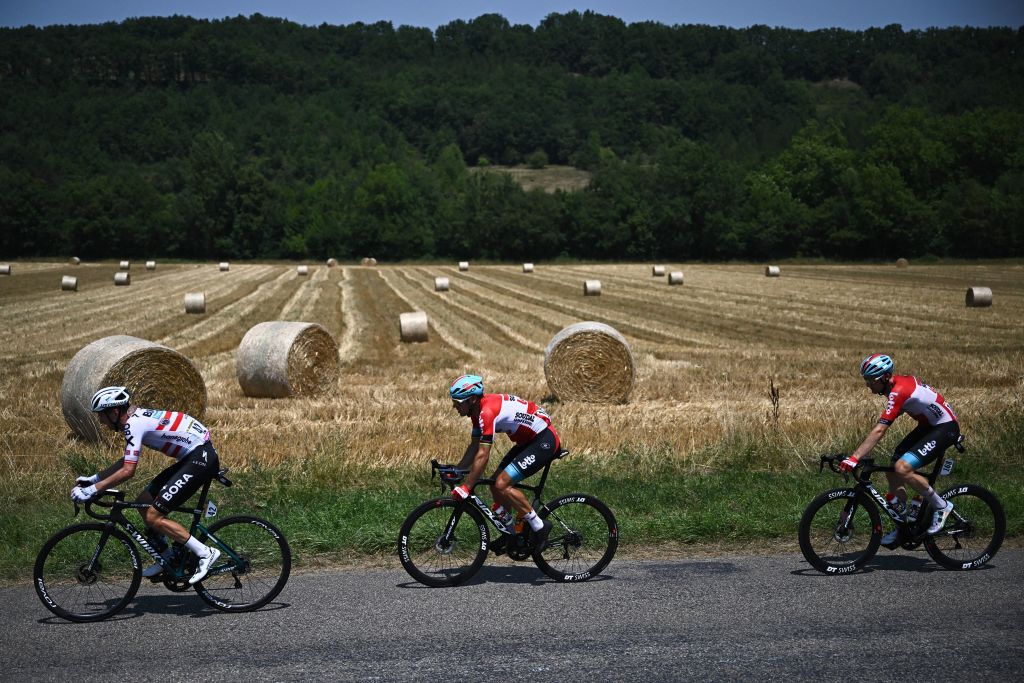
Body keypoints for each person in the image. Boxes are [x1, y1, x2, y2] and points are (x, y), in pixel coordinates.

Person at [72, 386, 221, 584]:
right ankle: (167, 556)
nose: (100, 421)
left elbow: (128, 471)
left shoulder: (134, 424)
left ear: (114, 412)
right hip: (193, 457)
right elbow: (126, 461)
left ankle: (205, 553)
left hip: (200, 458)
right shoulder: (135, 421)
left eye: (101, 416)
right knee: (144, 500)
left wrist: (92, 490)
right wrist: (94, 479)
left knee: (153, 515)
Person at [840, 354, 960, 545]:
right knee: (893, 469)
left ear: (885, 377)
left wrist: (854, 458)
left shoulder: (898, 391)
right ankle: (902, 525)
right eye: (866, 380)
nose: (868, 385)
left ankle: (942, 506)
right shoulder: (893, 388)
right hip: (929, 426)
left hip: (945, 428)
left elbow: (880, 430)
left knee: (903, 468)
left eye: (871, 380)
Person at [447, 374, 558, 550]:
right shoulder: (477, 412)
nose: (454, 406)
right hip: (527, 442)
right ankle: (511, 533)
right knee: (494, 484)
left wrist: (467, 486)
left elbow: (483, 454)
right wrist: (457, 470)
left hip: (543, 440)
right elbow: (475, 446)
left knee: (502, 484)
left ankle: (540, 526)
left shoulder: (486, 412)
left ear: (473, 399)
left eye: (458, 402)